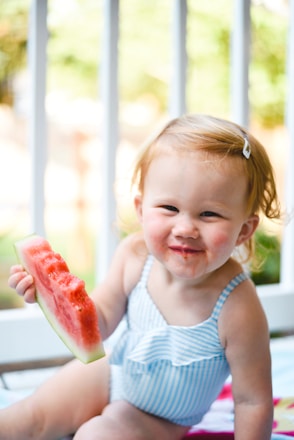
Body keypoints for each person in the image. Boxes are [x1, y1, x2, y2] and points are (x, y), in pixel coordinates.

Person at [1, 113, 281, 440]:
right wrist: (49, 295)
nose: (185, 228)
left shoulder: (237, 307)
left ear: (244, 230)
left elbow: (252, 401)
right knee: (26, 419)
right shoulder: (135, 256)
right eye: (168, 208)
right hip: (108, 374)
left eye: (209, 214)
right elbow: (99, 320)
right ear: (141, 208)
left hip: (160, 419)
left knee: (96, 435)